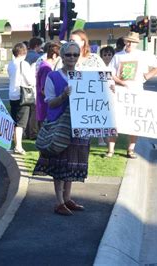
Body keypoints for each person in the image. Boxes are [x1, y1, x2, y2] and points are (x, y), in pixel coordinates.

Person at [33, 42, 89, 216]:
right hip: (59, 124)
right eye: (68, 55)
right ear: (62, 56)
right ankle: (59, 201)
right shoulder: (53, 76)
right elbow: (50, 102)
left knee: (72, 162)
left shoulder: (83, 76)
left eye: (75, 55)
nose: (72, 58)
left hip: (78, 124)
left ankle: (67, 198)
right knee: (61, 163)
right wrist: (64, 95)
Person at [105, 32, 157, 159]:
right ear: (125, 42)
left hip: (136, 92)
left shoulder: (143, 55)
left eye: (133, 42)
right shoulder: (118, 56)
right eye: (128, 41)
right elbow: (110, 73)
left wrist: (147, 76)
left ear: (137, 43)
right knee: (114, 122)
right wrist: (120, 82)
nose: (130, 44)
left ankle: (130, 150)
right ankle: (110, 150)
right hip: (119, 93)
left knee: (134, 122)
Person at [8, 42, 35, 154]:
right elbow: (30, 80)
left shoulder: (11, 63)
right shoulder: (24, 64)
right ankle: (18, 146)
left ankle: (13, 144)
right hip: (23, 95)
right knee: (21, 122)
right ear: (24, 52)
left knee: (14, 120)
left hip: (12, 94)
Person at [36, 41, 61, 129]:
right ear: (54, 56)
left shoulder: (44, 65)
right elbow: (44, 90)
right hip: (45, 107)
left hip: (43, 106)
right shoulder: (46, 68)